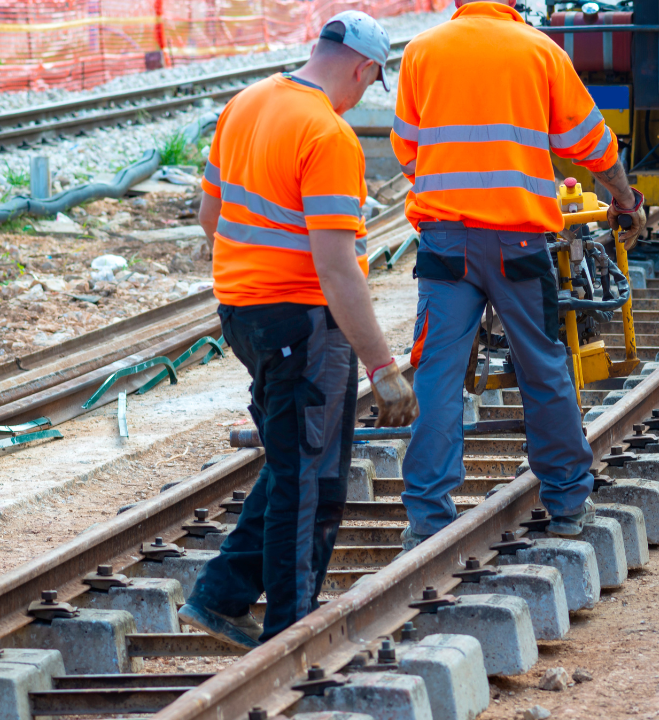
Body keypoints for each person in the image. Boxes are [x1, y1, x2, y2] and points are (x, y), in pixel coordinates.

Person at [177, 11, 419, 650]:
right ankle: (290, 634)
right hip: (302, 325)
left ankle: (220, 596)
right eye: (371, 83)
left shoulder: (246, 102)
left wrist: (260, 269)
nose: (364, 94)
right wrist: (383, 368)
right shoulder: (329, 133)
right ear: (365, 69)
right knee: (313, 480)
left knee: (291, 465)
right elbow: (338, 269)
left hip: (243, 314)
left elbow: (212, 214)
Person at [391, 0, 646, 547]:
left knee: (437, 373)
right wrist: (625, 199)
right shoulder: (539, 51)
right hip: (519, 242)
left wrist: (449, 189)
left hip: (445, 243)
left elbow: (407, 151)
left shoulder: (421, 52)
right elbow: (593, 144)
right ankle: (568, 500)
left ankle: (428, 521)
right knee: (541, 361)